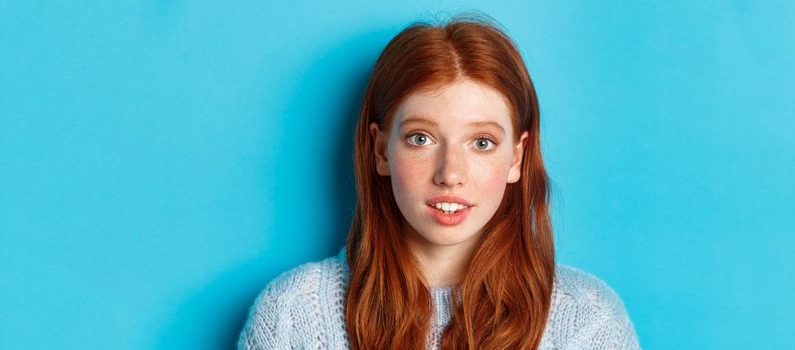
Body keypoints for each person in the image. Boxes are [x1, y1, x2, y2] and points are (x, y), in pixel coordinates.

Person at [237, 13, 640, 350]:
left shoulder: (587, 322)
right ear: (380, 151)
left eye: (481, 142)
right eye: (421, 138)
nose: (450, 174)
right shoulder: (294, 316)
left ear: (516, 157)